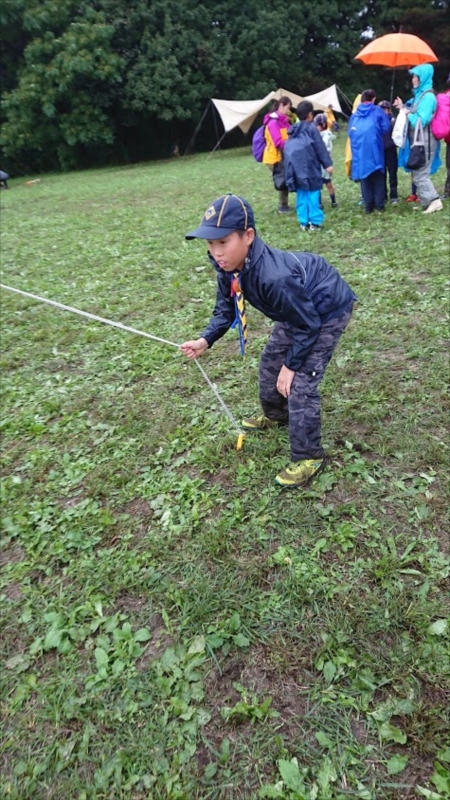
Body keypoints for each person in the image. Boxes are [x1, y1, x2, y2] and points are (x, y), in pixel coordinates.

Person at [180, 194, 356, 488]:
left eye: (223, 242)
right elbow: (226, 309)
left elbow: (310, 323)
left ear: (248, 236)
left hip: (325, 310)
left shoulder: (274, 277)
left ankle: (309, 455)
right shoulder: (228, 269)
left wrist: (293, 365)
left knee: (299, 382)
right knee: (270, 366)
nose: (216, 252)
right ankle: (277, 416)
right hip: (297, 312)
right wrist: (205, 339)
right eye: (210, 243)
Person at [393, 64, 442, 214]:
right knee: (417, 171)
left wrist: (407, 114)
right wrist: (402, 107)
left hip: (425, 141)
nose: (413, 79)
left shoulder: (428, 97)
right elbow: (413, 112)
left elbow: (421, 120)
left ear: (423, 78)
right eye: (413, 76)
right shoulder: (419, 95)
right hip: (419, 139)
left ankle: (434, 201)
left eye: (416, 77)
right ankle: (427, 202)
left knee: (421, 172)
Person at [283, 100, 333, 231]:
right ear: (310, 115)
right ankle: (315, 222)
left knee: (302, 196)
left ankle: (303, 222)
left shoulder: (292, 130)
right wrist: (328, 164)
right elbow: (320, 147)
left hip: (296, 169)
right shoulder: (312, 129)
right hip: (311, 168)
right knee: (313, 195)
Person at [348, 88, 391, 214]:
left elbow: (350, 132)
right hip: (374, 147)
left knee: (365, 177)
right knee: (378, 176)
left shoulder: (355, 114)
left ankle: (368, 206)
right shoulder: (377, 110)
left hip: (360, 149)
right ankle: (379, 205)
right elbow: (386, 126)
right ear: (373, 99)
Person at [262, 96, 293, 214]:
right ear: (281, 106)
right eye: (287, 108)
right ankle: (282, 206)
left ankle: (284, 205)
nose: (288, 111)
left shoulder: (284, 121)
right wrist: (292, 143)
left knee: (284, 178)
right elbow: (278, 142)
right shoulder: (273, 123)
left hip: (283, 156)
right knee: (282, 179)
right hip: (274, 157)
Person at [314, 113, 338, 207]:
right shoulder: (317, 134)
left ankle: (333, 201)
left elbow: (323, 148)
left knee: (328, 183)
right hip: (317, 164)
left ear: (323, 125)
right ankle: (319, 203)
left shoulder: (326, 135)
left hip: (325, 164)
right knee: (318, 185)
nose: (315, 127)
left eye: (317, 125)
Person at [378, 101, 399, 204]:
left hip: (391, 150)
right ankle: (383, 195)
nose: (382, 111)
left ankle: (394, 195)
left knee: (393, 173)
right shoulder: (376, 121)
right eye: (380, 109)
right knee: (382, 174)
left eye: (384, 109)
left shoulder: (393, 121)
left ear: (389, 110)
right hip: (380, 151)